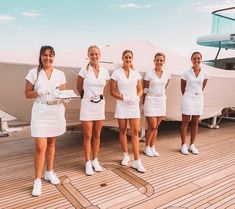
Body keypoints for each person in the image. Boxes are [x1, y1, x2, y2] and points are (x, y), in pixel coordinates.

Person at [25, 45, 66, 197]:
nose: (48, 58)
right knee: (40, 147)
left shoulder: (60, 74)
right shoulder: (33, 73)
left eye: (50, 55)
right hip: (40, 112)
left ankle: (49, 172)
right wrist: (37, 92)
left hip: (55, 111)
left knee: (51, 144)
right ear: (40, 56)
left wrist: (65, 98)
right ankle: (37, 180)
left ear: (54, 57)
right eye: (45, 55)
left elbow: (61, 94)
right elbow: (27, 94)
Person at [110, 49, 146, 173]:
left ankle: (137, 161)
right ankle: (125, 154)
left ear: (132, 59)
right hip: (121, 105)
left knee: (135, 132)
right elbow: (112, 91)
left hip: (133, 105)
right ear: (122, 58)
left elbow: (141, 89)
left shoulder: (136, 74)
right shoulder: (116, 73)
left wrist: (137, 97)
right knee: (123, 130)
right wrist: (123, 97)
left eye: (130, 57)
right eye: (126, 57)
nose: (128, 59)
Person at [77, 45, 110, 176]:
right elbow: (78, 87)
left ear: (99, 55)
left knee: (97, 134)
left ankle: (95, 159)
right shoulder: (84, 70)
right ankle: (87, 162)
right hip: (87, 104)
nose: (94, 56)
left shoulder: (105, 71)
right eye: (91, 54)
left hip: (100, 104)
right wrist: (87, 97)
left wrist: (98, 97)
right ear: (88, 56)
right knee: (88, 135)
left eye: (96, 54)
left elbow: (105, 88)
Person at [180, 51, 209, 155]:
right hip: (188, 97)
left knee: (195, 122)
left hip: (199, 98)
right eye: (194, 58)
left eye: (198, 58)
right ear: (191, 60)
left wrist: (197, 94)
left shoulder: (205, 74)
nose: (196, 60)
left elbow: (202, 87)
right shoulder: (186, 72)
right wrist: (189, 95)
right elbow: (182, 88)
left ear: (201, 59)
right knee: (185, 122)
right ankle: (183, 145)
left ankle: (192, 145)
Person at [143, 52, 171, 157]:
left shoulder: (167, 74)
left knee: (156, 126)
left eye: (161, 60)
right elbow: (145, 89)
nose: (159, 62)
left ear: (164, 62)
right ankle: (146, 147)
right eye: (157, 60)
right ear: (154, 61)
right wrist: (143, 103)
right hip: (150, 100)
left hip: (161, 101)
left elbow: (164, 86)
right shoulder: (149, 73)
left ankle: (152, 146)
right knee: (152, 125)